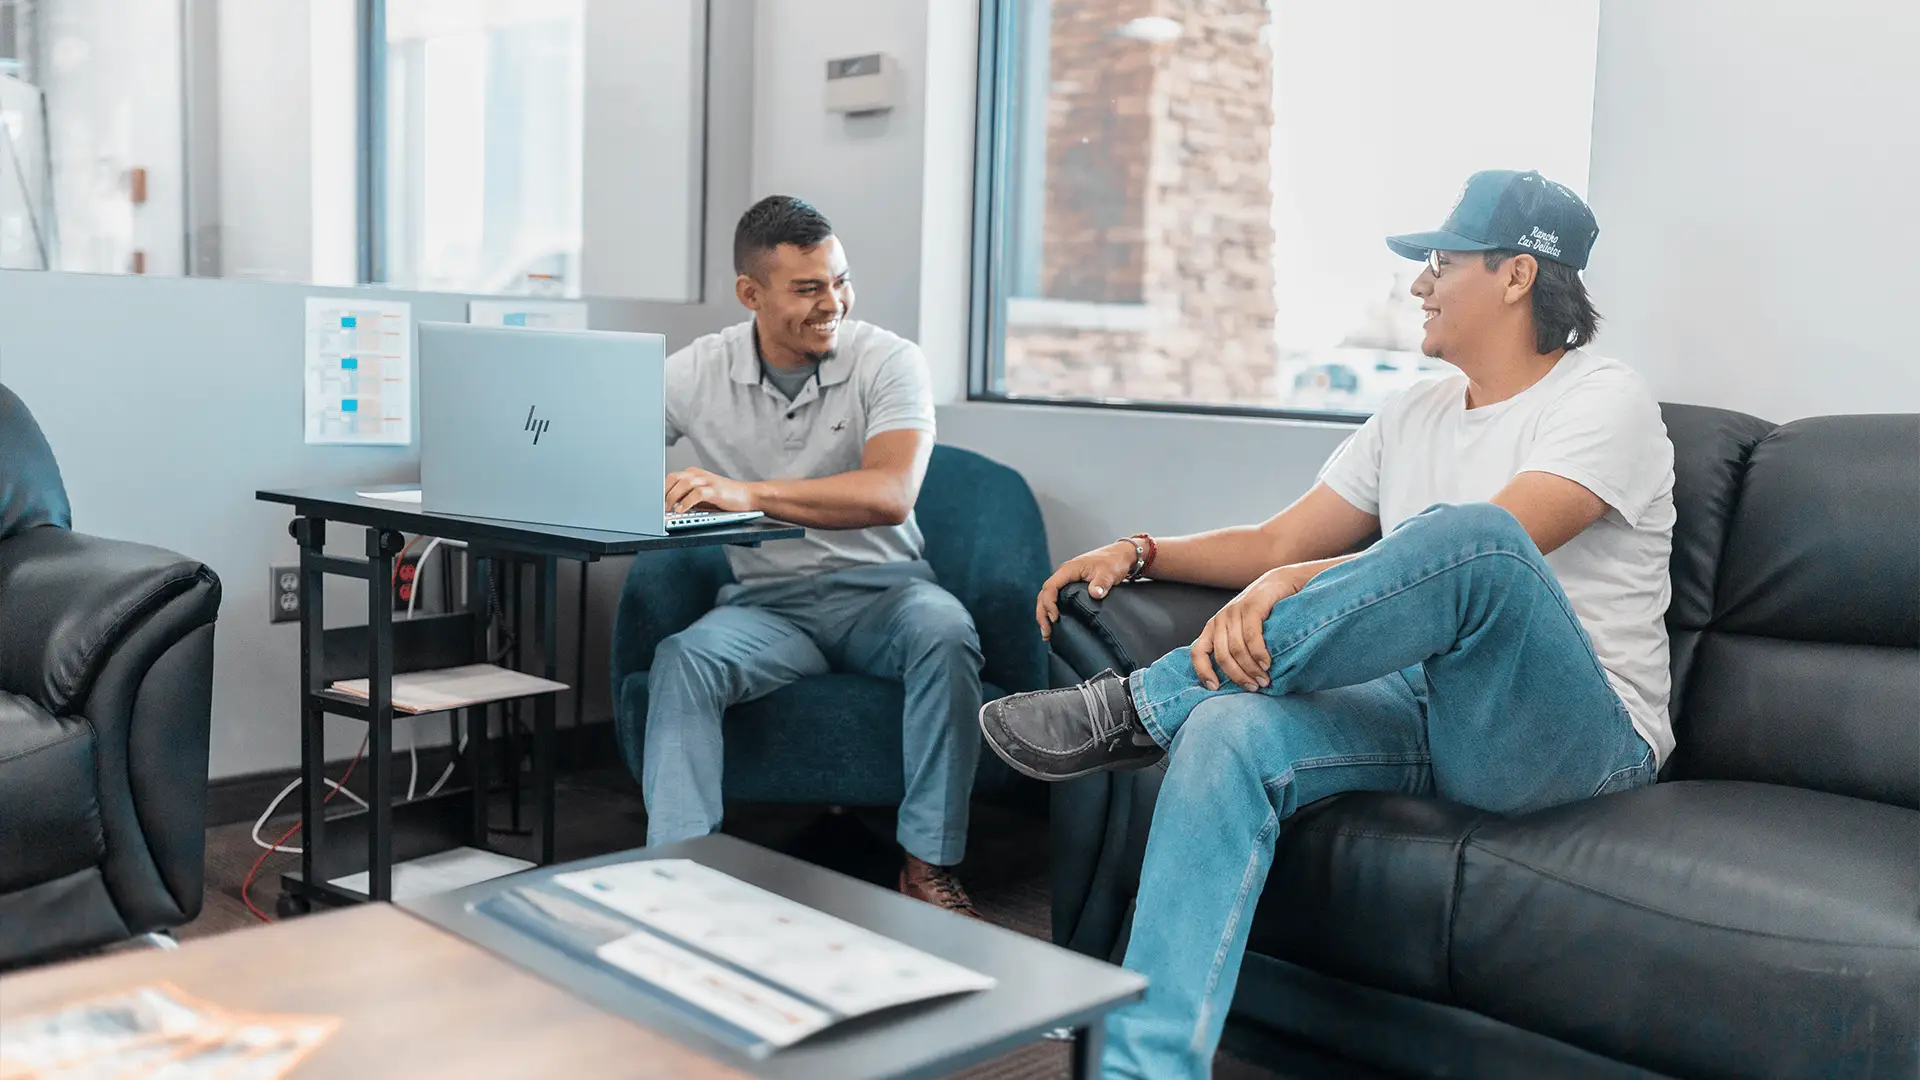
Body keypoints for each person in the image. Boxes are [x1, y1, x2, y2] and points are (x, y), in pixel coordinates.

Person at [979, 170, 1675, 1078]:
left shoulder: (1605, 400)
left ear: (1515, 276)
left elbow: (1493, 552)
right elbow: (1276, 538)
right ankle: (1142, 1071)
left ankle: (1138, 709)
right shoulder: (1411, 412)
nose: (1418, 285)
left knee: (1478, 536)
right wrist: (1141, 550)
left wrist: (1292, 582)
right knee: (1228, 731)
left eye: (1439, 262)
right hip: (1429, 713)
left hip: (1579, 738)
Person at [627, 195, 986, 915]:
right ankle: (677, 876)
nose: (835, 303)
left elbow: (890, 494)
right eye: (809, 288)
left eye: (840, 281)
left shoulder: (889, 361)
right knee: (682, 659)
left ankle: (927, 866)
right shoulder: (697, 371)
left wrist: (742, 492)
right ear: (750, 294)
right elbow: (608, 445)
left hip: (887, 594)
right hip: (769, 606)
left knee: (947, 635)